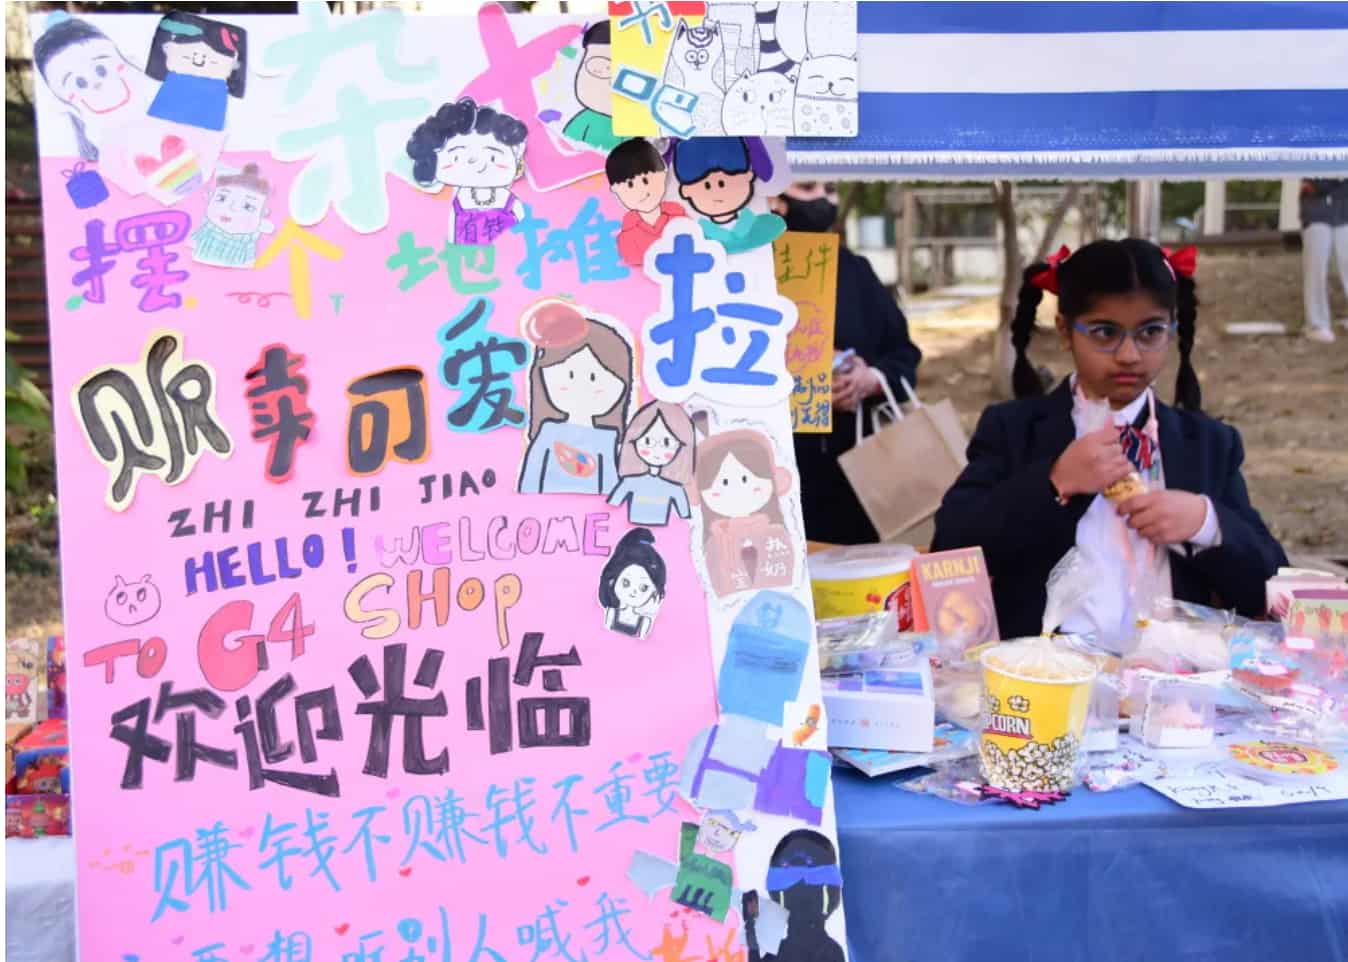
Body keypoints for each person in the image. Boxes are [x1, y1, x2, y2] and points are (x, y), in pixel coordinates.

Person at [931, 239, 1287, 644]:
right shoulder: (1013, 429)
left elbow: (1272, 588)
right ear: (1065, 331)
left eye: (1150, 332)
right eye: (1105, 332)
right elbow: (951, 548)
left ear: (1172, 329)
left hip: (1173, 671)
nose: (1129, 355)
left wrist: (1206, 523)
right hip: (1046, 669)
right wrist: (1054, 482)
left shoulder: (1207, 444)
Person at [770, 181, 923, 545]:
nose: (825, 199)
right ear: (775, 197)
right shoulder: (743, 270)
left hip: (856, 469)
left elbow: (904, 355)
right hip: (771, 469)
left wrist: (870, 378)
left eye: (831, 188)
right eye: (809, 187)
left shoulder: (855, 271)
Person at [517, 299, 633, 497]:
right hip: (544, 509)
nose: (582, 386)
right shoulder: (548, 432)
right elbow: (531, 476)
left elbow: (610, 485)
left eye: (594, 377)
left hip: (592, 512)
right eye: (570, 375)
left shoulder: (606, 439)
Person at [406, 97, 528, 246]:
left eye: (492, 157)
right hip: (465, 257)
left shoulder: (509, 200)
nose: (478, 165)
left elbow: (525, 225)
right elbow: (452, 236)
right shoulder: (458, 201)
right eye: (456, 157)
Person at [671, 137, 785, 254]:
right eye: (707, 186)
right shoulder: (697, 230)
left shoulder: (755, 223)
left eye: (721, 184)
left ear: (748, 176)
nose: (717, 192)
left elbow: (767, 173)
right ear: (686, 191)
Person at [606, 138, 687, 268]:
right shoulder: (628, 232)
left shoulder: (678, 214)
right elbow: (631, 257)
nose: (641, 191)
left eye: (645, 181)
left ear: (663, 172)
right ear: (615, 190)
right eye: (630, 185)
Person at [1300, 178, 1348, 344]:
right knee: (1316, 266)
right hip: (1316, 209)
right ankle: (1316, 324)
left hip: (1344, 207)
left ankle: (1318, 324)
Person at [563, 21, 622, 152]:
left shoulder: (640, 124)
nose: (611, 82)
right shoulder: (584, 121)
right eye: (598, 69)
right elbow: (568, 146)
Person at [597, 528, 667, 638]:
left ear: (654, 591)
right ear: (613, 580)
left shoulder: (645, 622)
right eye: (626, 583)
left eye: (643, 588)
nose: (634, 592)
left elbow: (642, 643)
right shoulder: (611, 613)